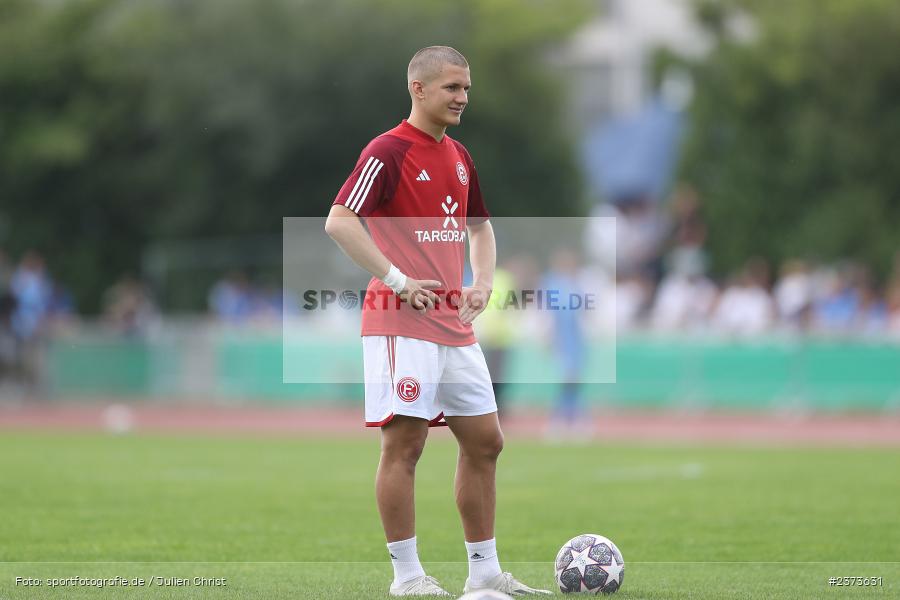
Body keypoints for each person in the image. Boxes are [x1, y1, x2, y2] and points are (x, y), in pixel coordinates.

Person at [325, 46, 549, 597]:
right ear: (418, 89)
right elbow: (339, 222)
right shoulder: (388, 150)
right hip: (400, 322)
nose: (463, 97)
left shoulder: (459, 156)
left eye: (467, 88)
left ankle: (484, 575)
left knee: (487, 442)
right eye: (452, 87)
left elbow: (480, 228)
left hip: (454, 326)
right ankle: (406, 577)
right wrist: (399, 280)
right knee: (405, 447)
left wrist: (482, 282)